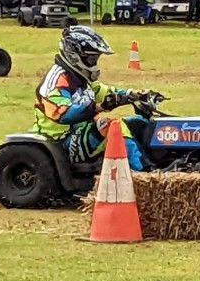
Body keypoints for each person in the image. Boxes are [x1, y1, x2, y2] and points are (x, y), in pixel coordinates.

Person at [33, 25, 150, 171]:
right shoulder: (56, 81)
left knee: (138, 123)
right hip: (60, 141)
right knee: (113, 127)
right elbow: (63, 113)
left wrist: (134, 95)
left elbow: (105, 91)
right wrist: (99, 107)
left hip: (81, 133)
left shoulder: (80, 79)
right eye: (92, 58)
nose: (94, 63)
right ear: (75, 56)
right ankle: (145, 174)